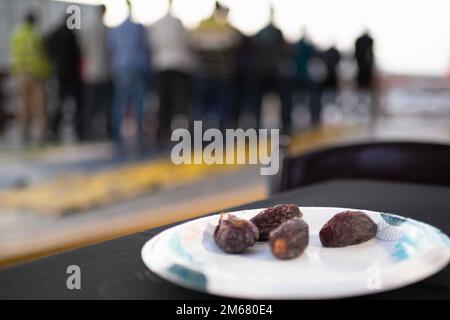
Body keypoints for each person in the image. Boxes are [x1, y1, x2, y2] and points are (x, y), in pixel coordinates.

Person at [148, 0, 195, 145]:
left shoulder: (157, 24)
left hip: (162, 64)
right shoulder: (177, 22)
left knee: (164, 100)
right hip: (177, 64)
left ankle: (163, 132)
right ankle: (180, 132)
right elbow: (185, 41)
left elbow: (152, 43)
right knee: (179, 101)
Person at [108, 0, 151, 153]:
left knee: (120, 102)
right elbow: (145, 47)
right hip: (136, 66)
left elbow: (111, 49)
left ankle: (117, 137)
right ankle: (140, 135)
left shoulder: (116, 29)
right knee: (138, 102)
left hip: (120, 67)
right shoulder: (138, 27)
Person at [191, 1, 240, 130]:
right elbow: (234, 42)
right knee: (221, 105)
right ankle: (220, 132)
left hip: (204, 71)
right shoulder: (226, 26)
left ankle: (197, 133)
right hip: (221, 73)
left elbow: (194, 43)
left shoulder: (203, 25)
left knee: (202, 105)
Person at [10, 12, 52, 144]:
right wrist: (48, 71)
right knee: (39, 105)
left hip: (20, 74)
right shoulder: (36, 34)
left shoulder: (17, 34)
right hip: (36, 73)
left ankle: (24, 133)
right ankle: (42, 133)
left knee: (23, 105)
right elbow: (43, 55)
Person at [252, 7, 293, 133]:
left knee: (258, 100)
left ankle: (257, 125)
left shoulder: (261, 33)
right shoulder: (276, 32)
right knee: (283, 98)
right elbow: (285, 50)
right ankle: (286, 125)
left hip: (263, 71)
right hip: (274, 71)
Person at [46, 16, 84, 142]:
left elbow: (46, 46)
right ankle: (79, 130)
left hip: (60, 73)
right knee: (77, 103)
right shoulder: (71, 35)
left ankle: (54, 130)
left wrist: (54, 62)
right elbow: (77, 53)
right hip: (71, 75)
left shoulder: (54, 34)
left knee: (61, 102)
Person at [80, 5, 112, 140]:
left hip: (91, 72)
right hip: (105, 72)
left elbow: (83, 50)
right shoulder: (107, 30)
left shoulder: (88, 29)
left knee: (91, 105)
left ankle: (89, 131)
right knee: (106, 105)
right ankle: (107, 131)